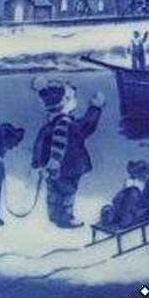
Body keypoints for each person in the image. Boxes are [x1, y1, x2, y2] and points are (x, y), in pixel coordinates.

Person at [31, 78, 105, 228]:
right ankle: (65, 217)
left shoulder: (47, 128)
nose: (75, 101)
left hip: (51, 170)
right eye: (72, 98)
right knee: (68, 193)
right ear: (65, 102)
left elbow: (39, 145)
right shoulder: (70, 125)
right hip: (70, 168)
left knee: (53, 191)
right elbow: (87, 126)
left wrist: (37, 163)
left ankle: (53, 215)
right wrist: (95, 108)